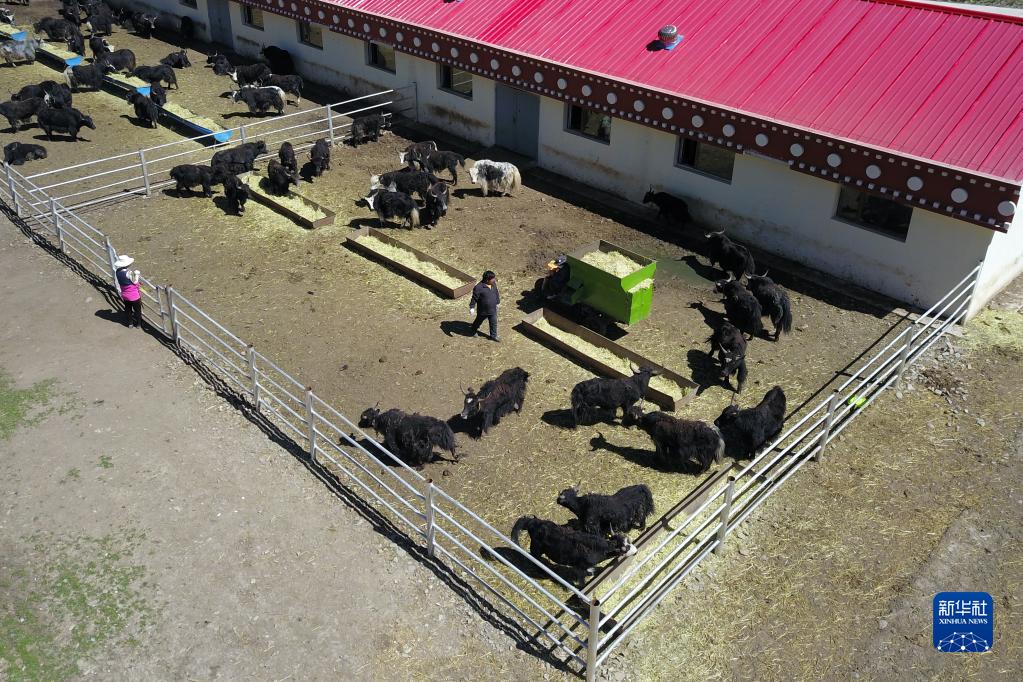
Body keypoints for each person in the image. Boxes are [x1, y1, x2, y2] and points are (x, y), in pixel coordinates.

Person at [469, 270, 500, 342]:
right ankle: (473, 329)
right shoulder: (478, 287)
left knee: (493, 322)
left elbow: (496, 292)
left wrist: (498, 302)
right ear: (487, 280)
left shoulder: (493, 284)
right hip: (483, 310)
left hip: (492, 309)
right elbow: (474, 298)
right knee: (478, 321)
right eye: (492, 279)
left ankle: (493, 336)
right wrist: (472, 307)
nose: (494, 280)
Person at [114, 254, 142, 329]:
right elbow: (135, 282)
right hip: (134, 295)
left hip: (125, 294)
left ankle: (130, 323)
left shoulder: (117, 271)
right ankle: (138, 324)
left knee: (128, 309)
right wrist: (137, 274)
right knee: (137, 310)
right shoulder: (129, 273)